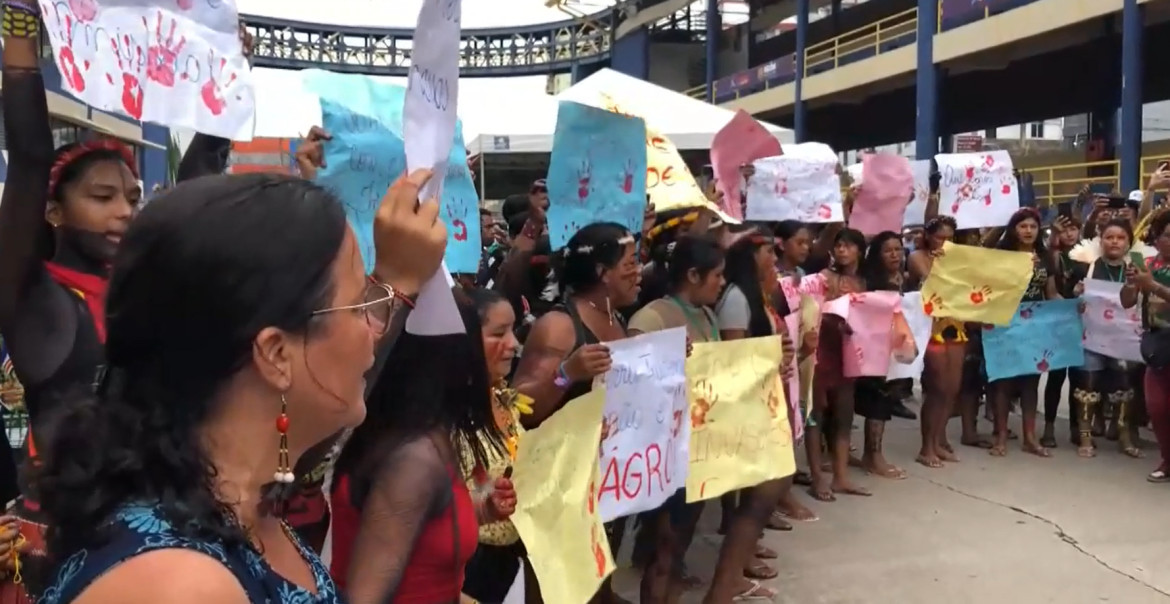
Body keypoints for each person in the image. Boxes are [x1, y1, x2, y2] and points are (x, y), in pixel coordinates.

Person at [31, 170, 446, 604]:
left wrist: (398, 277)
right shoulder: (181, 586)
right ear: (275, 354)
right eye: (361, 302)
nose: (373, 329)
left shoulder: (236, 504)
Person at [329, 290, 516, 604]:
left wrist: (481, 510)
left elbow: (414, 528)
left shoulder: (418, 433)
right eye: (494, 336)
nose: (512, 346)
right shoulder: (415, 458)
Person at [627, 235, 724, 603]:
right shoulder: (652, 317)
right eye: (716, 275)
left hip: (695, 449)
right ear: (694, 275)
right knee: (663, 548)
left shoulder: (707, 315)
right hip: (662, 455)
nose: (721, 283)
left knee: (679, 541)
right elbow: (628, 383)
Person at [711, 227, 793, 602]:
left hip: (766, 397)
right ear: (749, 257)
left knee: (763, 491)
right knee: (758, 491)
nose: (775, 260)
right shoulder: (735, 299)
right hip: (748, 404)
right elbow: (734, 360)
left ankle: (742, 558)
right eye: (768, 254)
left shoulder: (757, 295)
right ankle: (732, 576)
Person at [457, 289, 541, 603]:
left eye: (513, 331)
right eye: (498, 334)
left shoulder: (502, 397)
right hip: (466, 568)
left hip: (504, 560)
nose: (514, 345)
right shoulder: (447, 416)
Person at [987, 208, 1059, 457]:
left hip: (1034, 325)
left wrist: (1071, 305)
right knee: (1003, 383)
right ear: (1013, 229)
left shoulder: (1045, 256)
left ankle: (1030, 436)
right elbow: (992, 289)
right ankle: (1000, 437)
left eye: (1033, 227)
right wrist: (1020, 270)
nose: (1028, 231)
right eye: (1023, 226)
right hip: (1005, 323)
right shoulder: (1001, 256)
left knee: (1031, 382)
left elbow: (1051, 293)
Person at [908, 216, 965, 466]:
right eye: (940, 237)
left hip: (956, 324)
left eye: (950, 238)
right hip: (929, 327)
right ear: (928, 237)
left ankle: (939, 440)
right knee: (936, 388)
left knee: (952, 389)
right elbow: (931, 280)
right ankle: (926, 447)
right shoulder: (917, 257)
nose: (945, 242)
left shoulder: (959, 260)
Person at [855, 231, 909, 479]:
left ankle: (873, 453)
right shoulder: (868, 280)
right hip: (871, 348)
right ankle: (872, 455)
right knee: (875, 399)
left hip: (895, 346)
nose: (895, 254)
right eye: (888, 250)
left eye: (898, 249)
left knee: (887, 398)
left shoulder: (903, 277)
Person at [1122, 209, 1170, 482]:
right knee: (1157, 408)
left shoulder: (1151, 275)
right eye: (1167, 236)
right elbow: (1127, 301)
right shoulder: (1148, 264)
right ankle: (1167, 460)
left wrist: (1153, 286)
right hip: (1157, 345)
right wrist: (1132, 284)